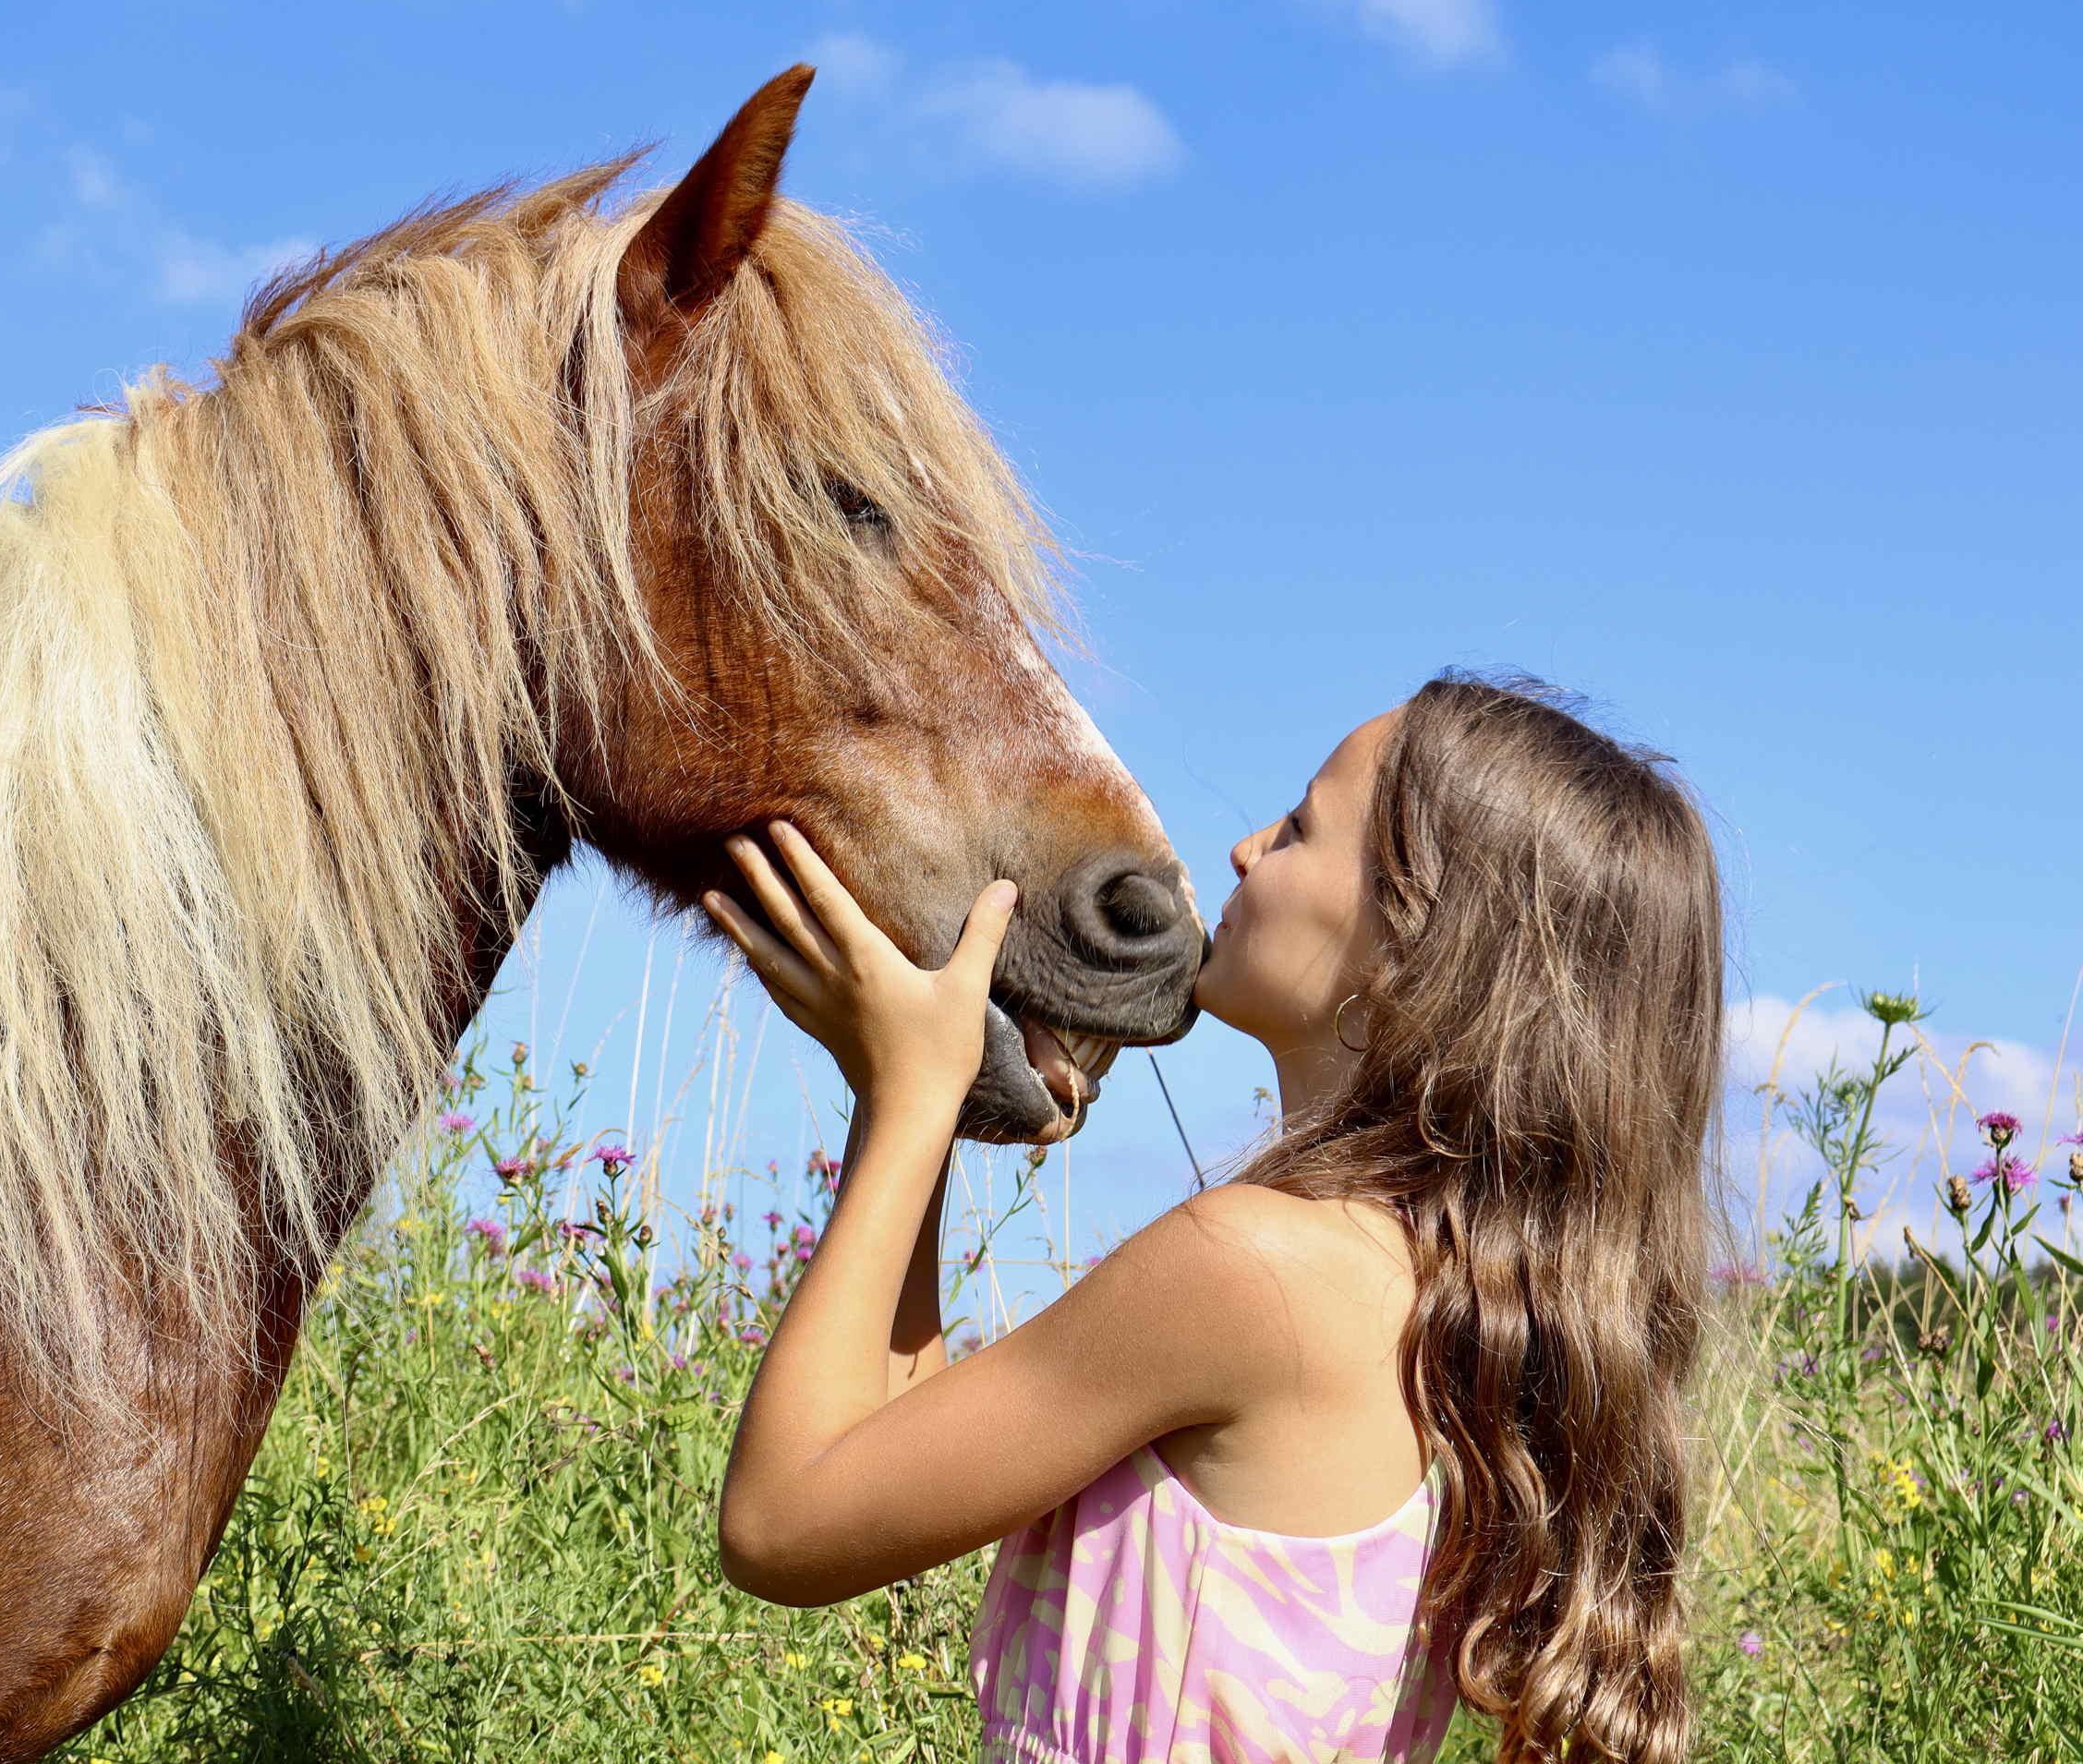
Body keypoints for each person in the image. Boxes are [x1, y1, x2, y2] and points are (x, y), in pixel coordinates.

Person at [702, 672, 1722, 1764]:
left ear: (1414, 940)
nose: (1242, 848)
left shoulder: (1255, 1269)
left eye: (1298, 827)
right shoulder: (1427, 1299)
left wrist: (906, 1094)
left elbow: (783, 1524)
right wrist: (920, 1090)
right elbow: (884, 1459)